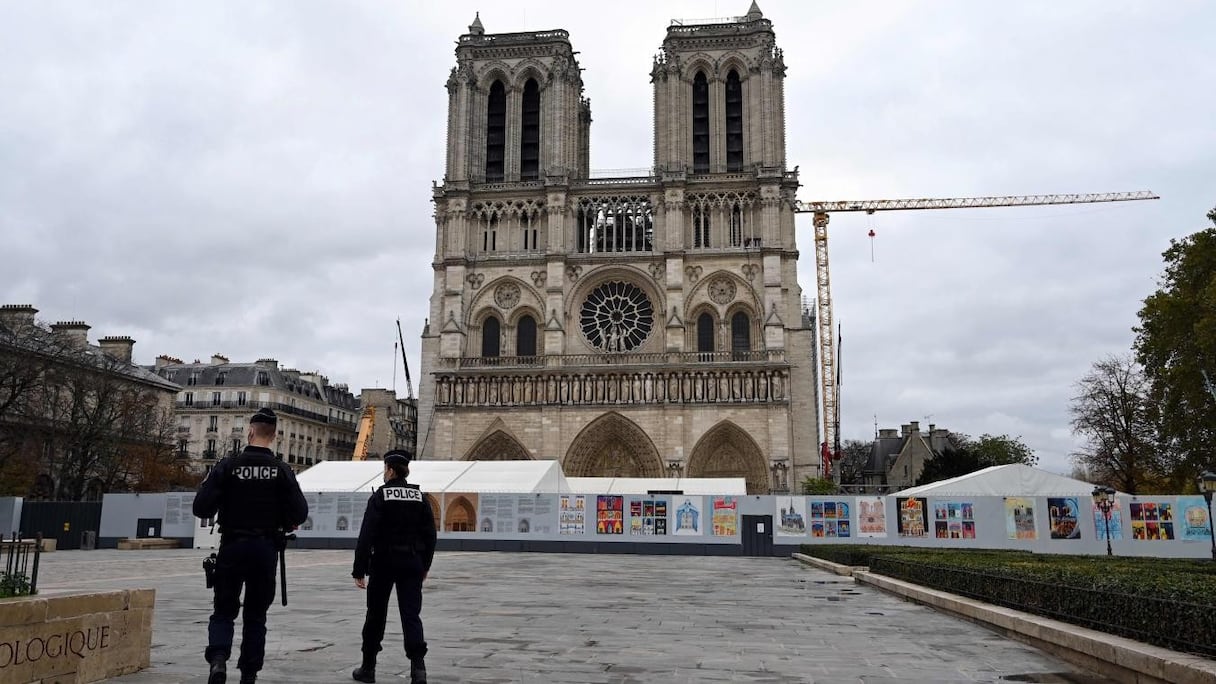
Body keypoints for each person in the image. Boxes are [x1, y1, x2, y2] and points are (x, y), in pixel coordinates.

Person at [193, 408, 308, 684]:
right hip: (265, 548)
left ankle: (219, 659)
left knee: (223, 609)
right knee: (256, 615)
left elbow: (201, 507)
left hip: (232, 545)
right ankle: (248, 673)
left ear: (250, 431)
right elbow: (299, 513)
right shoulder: (281, 470)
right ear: (275, 436)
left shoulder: (227, 466)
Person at [351, 449, 437, 684]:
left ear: (389, 470)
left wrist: (359, 569)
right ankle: (418, 669)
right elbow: (430, 534)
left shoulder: (381, 495)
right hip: (411, 561)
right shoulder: (420, 497)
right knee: (411, 615)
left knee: (376, 614)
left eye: (384, 469)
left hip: (383, 562)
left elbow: (366, 534)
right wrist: (425, 565)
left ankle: (368, 667)